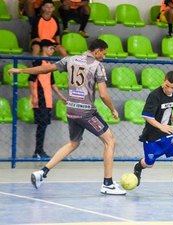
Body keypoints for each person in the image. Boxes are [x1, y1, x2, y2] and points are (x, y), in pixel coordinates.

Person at [8, 39, 126, 195]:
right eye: (103, 53)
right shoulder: (97, 66)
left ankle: (42, 172)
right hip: (86, 111)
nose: (103, 57)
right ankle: (108, 184)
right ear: (97, 51)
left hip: (71, 109)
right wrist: (112, 109)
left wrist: (21, 71)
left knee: (73, 143)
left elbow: (45, 69)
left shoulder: (70, 60)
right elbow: (103, 95)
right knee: (110, 140)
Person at [133, 71, 173, 196]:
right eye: (167, 86)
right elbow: (146, 116)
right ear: (163, 81)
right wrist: (161, 127)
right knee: (149, 163)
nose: (169, 90)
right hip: (152, 135)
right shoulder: (154, 95)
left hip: (167, 134)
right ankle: (138, 168)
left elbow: (168, 107)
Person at [29, 39, 67, 158]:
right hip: (40, 98)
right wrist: (34, 96)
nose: (52, 51)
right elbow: (31, 80)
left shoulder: (50, 65)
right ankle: (38, 151)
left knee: (43, 125)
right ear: (44, 48)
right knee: (41, 125)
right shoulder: (38, 63)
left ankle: (39, 150)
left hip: (47, 99)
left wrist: (62, 97)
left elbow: (52, 83)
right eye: (51, 48)